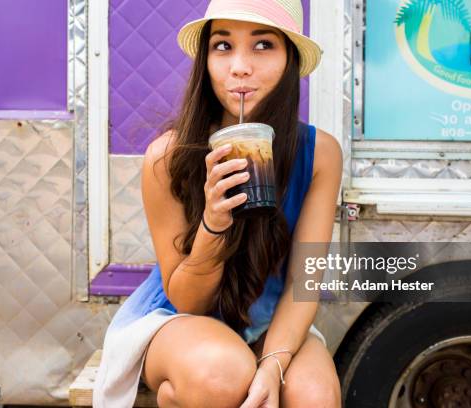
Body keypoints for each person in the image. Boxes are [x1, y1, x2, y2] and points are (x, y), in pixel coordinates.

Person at [93, 0, 343, 407]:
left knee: (314, 395)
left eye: (263, 45)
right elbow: (187, 300)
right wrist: (213, 223)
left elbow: (303, 284)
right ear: (206, 61)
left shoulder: (320, 155)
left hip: (269, 318)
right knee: (223, 376)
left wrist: (272, 366)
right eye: (223, 46)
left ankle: (178, 398)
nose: (240, 66)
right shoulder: (167, 157)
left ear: (290, 61)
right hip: (178, 319)